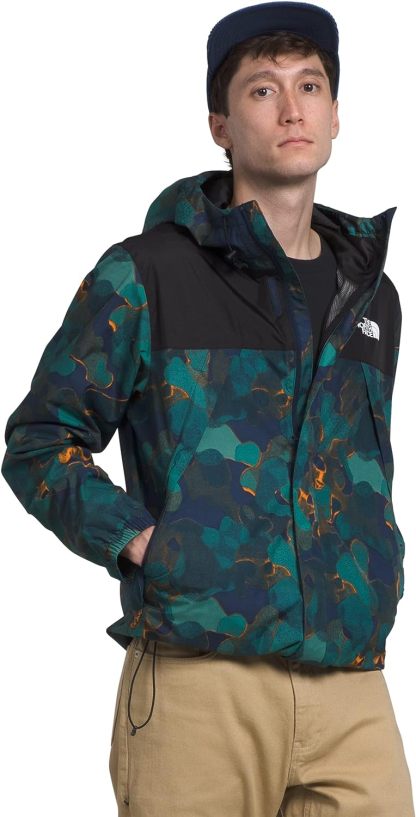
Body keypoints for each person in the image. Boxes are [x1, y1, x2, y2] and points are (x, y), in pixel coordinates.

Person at [2, 1, 414, 814]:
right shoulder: (148, 274)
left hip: (350, 682)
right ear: (220, 125)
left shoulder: (375, 297)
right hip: (201, 676)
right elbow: (40, 441)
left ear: (336, 114)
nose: (292, 109)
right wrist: (145, 543)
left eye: (310, 86)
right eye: (263, 90)